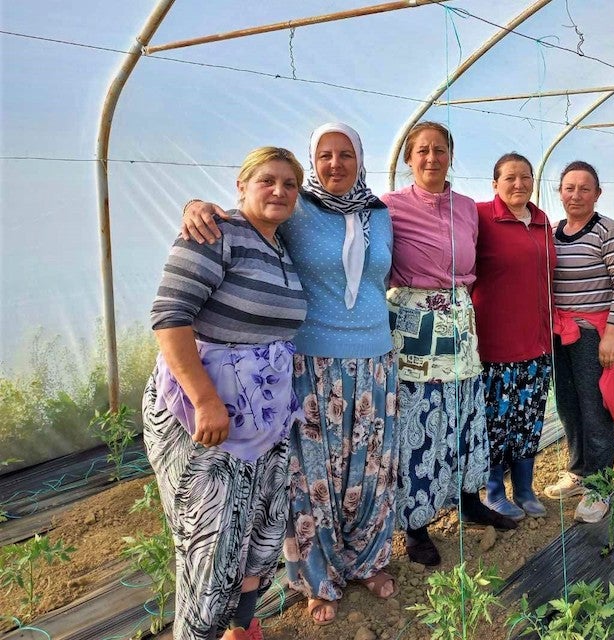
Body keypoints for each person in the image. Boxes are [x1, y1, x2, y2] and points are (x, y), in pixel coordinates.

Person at [180, 123, 398, 627]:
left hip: (376, 358)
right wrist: (197, 205)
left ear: (360, 160)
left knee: (370, 468)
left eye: (346, 154)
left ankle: (366, 561)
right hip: (309, 361)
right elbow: (250, 213)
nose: (336, 163)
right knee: (312, 474)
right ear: (312, 162)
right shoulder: (297, 208)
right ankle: (318, 579)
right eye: (325, 155)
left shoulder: (381, 215)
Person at [144, 147, 308, 640]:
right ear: (241, 186)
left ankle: (242, 627)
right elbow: (169, 317)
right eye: (267, 181)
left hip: (265, 419)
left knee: (259, 531)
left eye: (290, 184)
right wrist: (205, 400)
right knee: (210, 542)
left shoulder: (281, 245)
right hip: (209, 417)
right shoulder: (216, 234)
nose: (279, 191)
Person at [382, 121, 518, 567]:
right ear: (408, 159)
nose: (431, 157)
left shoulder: (465, 207)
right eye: (422, 150)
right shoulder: (389, 207)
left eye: (440, 149)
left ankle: (467, 497)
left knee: (463, 411)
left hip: (459, 322)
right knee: (419, 419)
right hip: (415, 322)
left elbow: (509, 219)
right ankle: (415, 524)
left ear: (451, 155)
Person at [543, 160, 614, 523]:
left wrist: (611, 335)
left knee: (595, 408)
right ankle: (578, 470)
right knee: (568, 404)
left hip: (593, 334)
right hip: (561, 333)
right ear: (560, 193)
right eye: (569, 188)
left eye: (585, 188)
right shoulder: (552, 233)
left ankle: (599, 487)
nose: (576, 195)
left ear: (598, 194)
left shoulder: (609, 232)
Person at [473, 153, 557, 520]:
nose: (519, 184)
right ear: (495, 184)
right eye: (510, 177)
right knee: (497, 421)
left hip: (537, 345)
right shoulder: (480, 217)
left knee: (529, 419)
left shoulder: (541, 222)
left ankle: (524, 488)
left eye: (526, 177)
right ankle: (493, 491)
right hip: (496, 346)